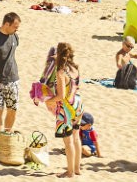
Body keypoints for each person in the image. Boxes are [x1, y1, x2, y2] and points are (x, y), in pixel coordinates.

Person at [49, 42, 83, 178]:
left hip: (67, 109)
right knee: (76, 137)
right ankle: (77, 169)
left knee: (68, 141)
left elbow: (61, 96)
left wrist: (47, 101)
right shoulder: (74, 68)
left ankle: (70, 172)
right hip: (78, 103)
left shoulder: (61, 72)